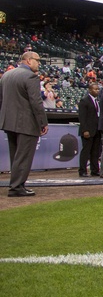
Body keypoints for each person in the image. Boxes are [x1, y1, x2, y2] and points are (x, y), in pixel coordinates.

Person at [0, 51, 49, 196]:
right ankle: (16, 187)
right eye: (37, 60)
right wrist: (42, 122)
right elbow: (36, 102)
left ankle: (15, 184)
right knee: (24, 156)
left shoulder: (6, 75)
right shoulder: (30, 76)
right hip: (26, 123)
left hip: (9, 121)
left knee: (15, 155)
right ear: (28, 61)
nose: (39, 63)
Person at [77, 82, 101, 177]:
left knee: (95, 151)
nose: (97, 91)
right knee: (86, 151)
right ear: (90, 90)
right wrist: (84, 130)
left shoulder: (97, 101)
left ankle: (94, 170)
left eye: (98, 89)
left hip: (96, 130)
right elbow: (82, 117)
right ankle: (82, 170)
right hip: (88, 130)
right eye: (95, 89)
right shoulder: (84, 101)